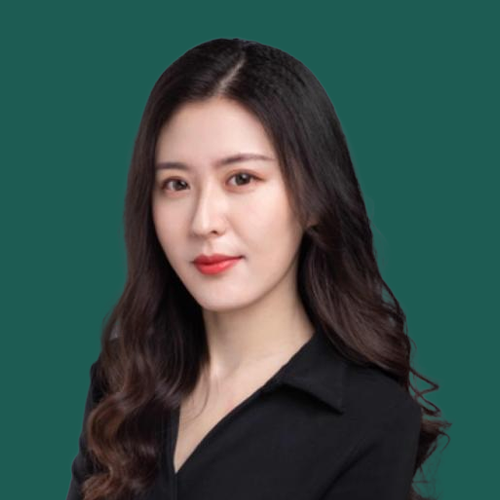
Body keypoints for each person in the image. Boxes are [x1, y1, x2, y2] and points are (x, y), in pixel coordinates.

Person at [66, 38, 450, 500]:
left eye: (241, 178)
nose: (203, 222)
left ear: (313, 198)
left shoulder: (370, 419)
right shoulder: (122, 380)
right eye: (176, 184)